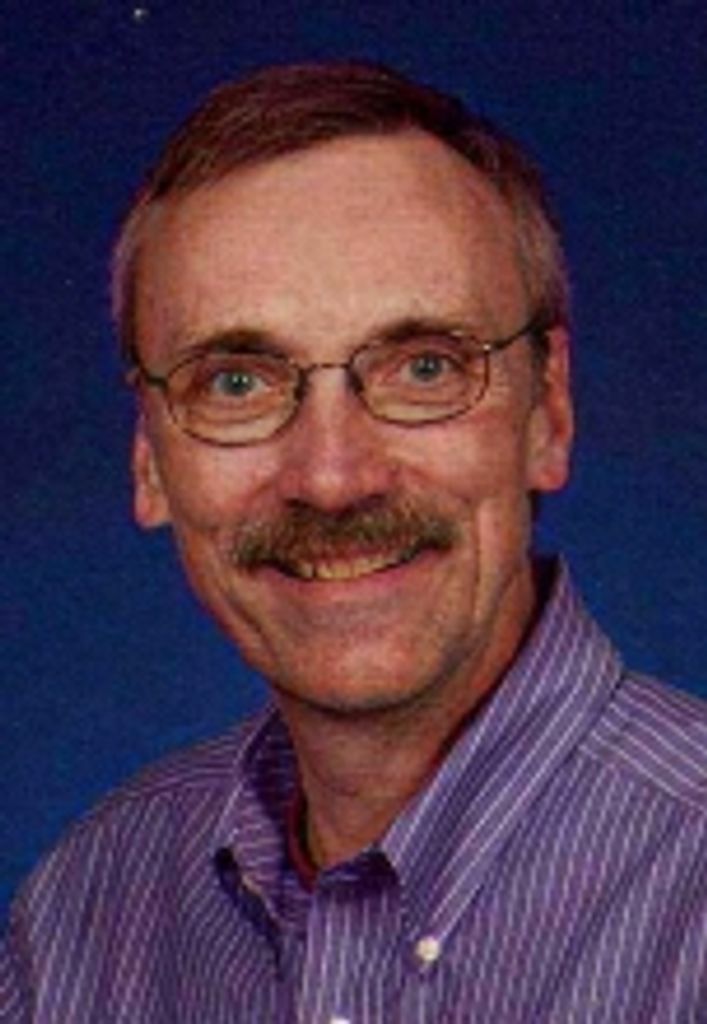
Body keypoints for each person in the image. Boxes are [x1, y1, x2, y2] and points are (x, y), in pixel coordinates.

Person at [2, 61, 706, 1024]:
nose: (332, 477)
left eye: (424, 368)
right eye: (237, 383)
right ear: (149, 459)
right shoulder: (81, 917)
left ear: (547, 412)